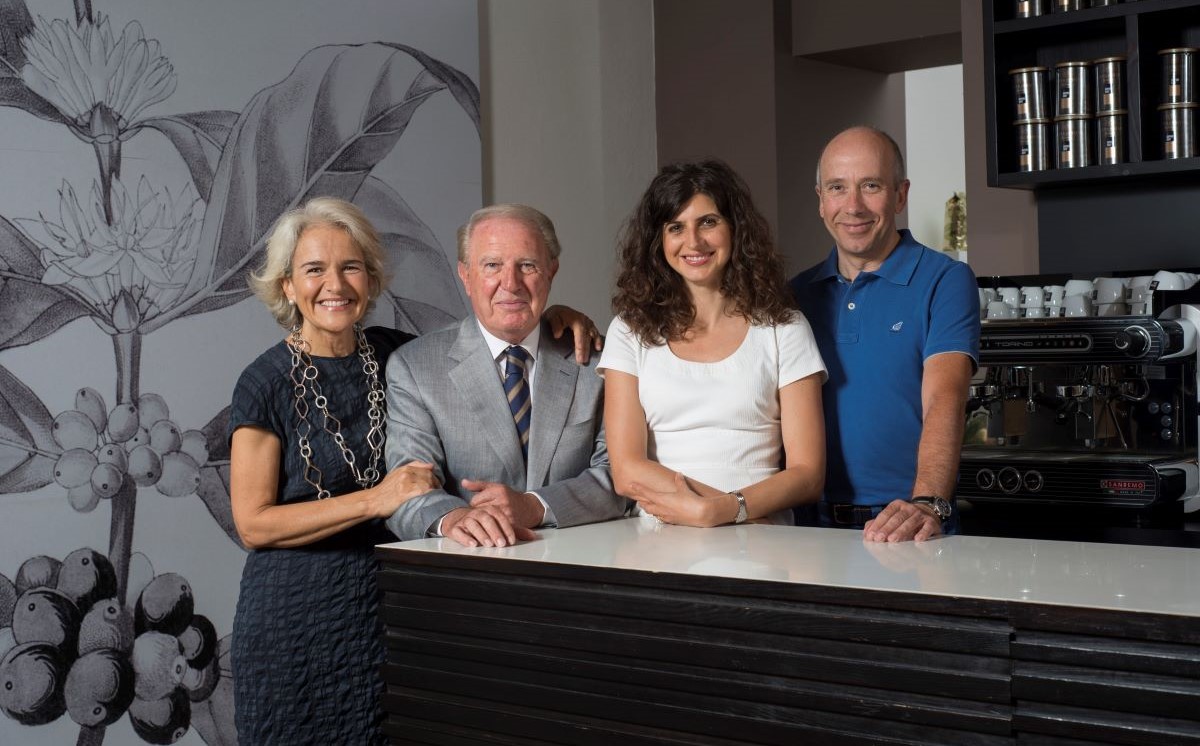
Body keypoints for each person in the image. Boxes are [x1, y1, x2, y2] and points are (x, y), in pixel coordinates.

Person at [229, 197, 601, 743]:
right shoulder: (264, 383)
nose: (335, 284)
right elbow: (252, 524)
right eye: (314, 269)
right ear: (287, 285)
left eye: (350, 267)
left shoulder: (395, 355)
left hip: (391, 609)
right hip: (297, 616)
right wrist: (375, 500)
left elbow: (488, 333)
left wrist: (559, 319)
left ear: (371, 278)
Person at [383, 204, 627, 548]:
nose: (510, 284)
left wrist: (534, 506)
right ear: (466, 276)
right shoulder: (415, 368)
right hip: (472, 572)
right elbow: (407, 490)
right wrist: (454, 517)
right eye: (492, 265)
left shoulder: (596, 362)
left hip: (584, 570)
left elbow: (621, 476)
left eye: (527, 265)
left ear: (551, 272)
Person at [599, 160, 826, 527]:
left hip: (764, 542)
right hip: (661, 541)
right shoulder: (630, 331)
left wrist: (723, 511)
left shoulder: (784, 326)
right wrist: (717, 512)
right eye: (676, 227)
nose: (694, 242)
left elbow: (808, 474)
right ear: (659, 242)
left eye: (708, 221)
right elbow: (627, 471)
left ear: (736, 229)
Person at [789, 126, 980, 543]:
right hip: (805, 524)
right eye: (837, 188)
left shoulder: (945, 281)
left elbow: (944, 396)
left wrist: (927, 502)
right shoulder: (794, 295)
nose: (853, 206)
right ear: (820, 200)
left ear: (900, 195)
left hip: (908, 524)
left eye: (870, 185)